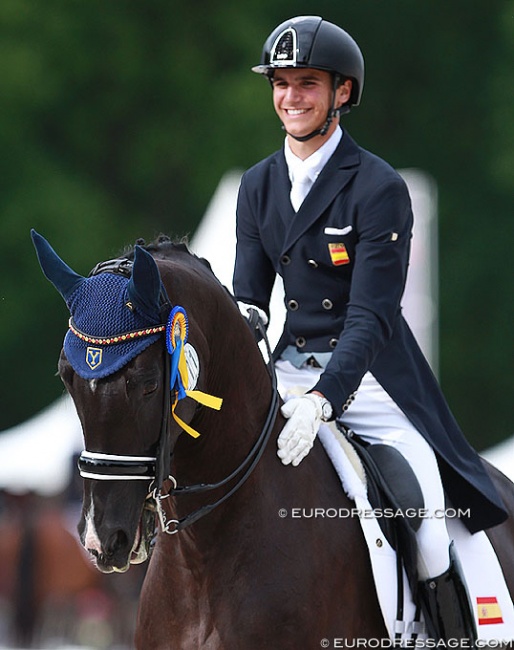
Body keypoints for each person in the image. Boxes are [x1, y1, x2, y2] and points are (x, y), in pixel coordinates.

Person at [232, 15, 507, 641]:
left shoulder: (378, 188)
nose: (291, 98)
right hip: (286, 371)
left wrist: (326, 399)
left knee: (428, 523)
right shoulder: (258, 185)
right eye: (280, 83)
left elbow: (372, 314)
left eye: (307, 83)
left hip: (375, 382)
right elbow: (249, 297)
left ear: (342, 93)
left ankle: (448, 634)